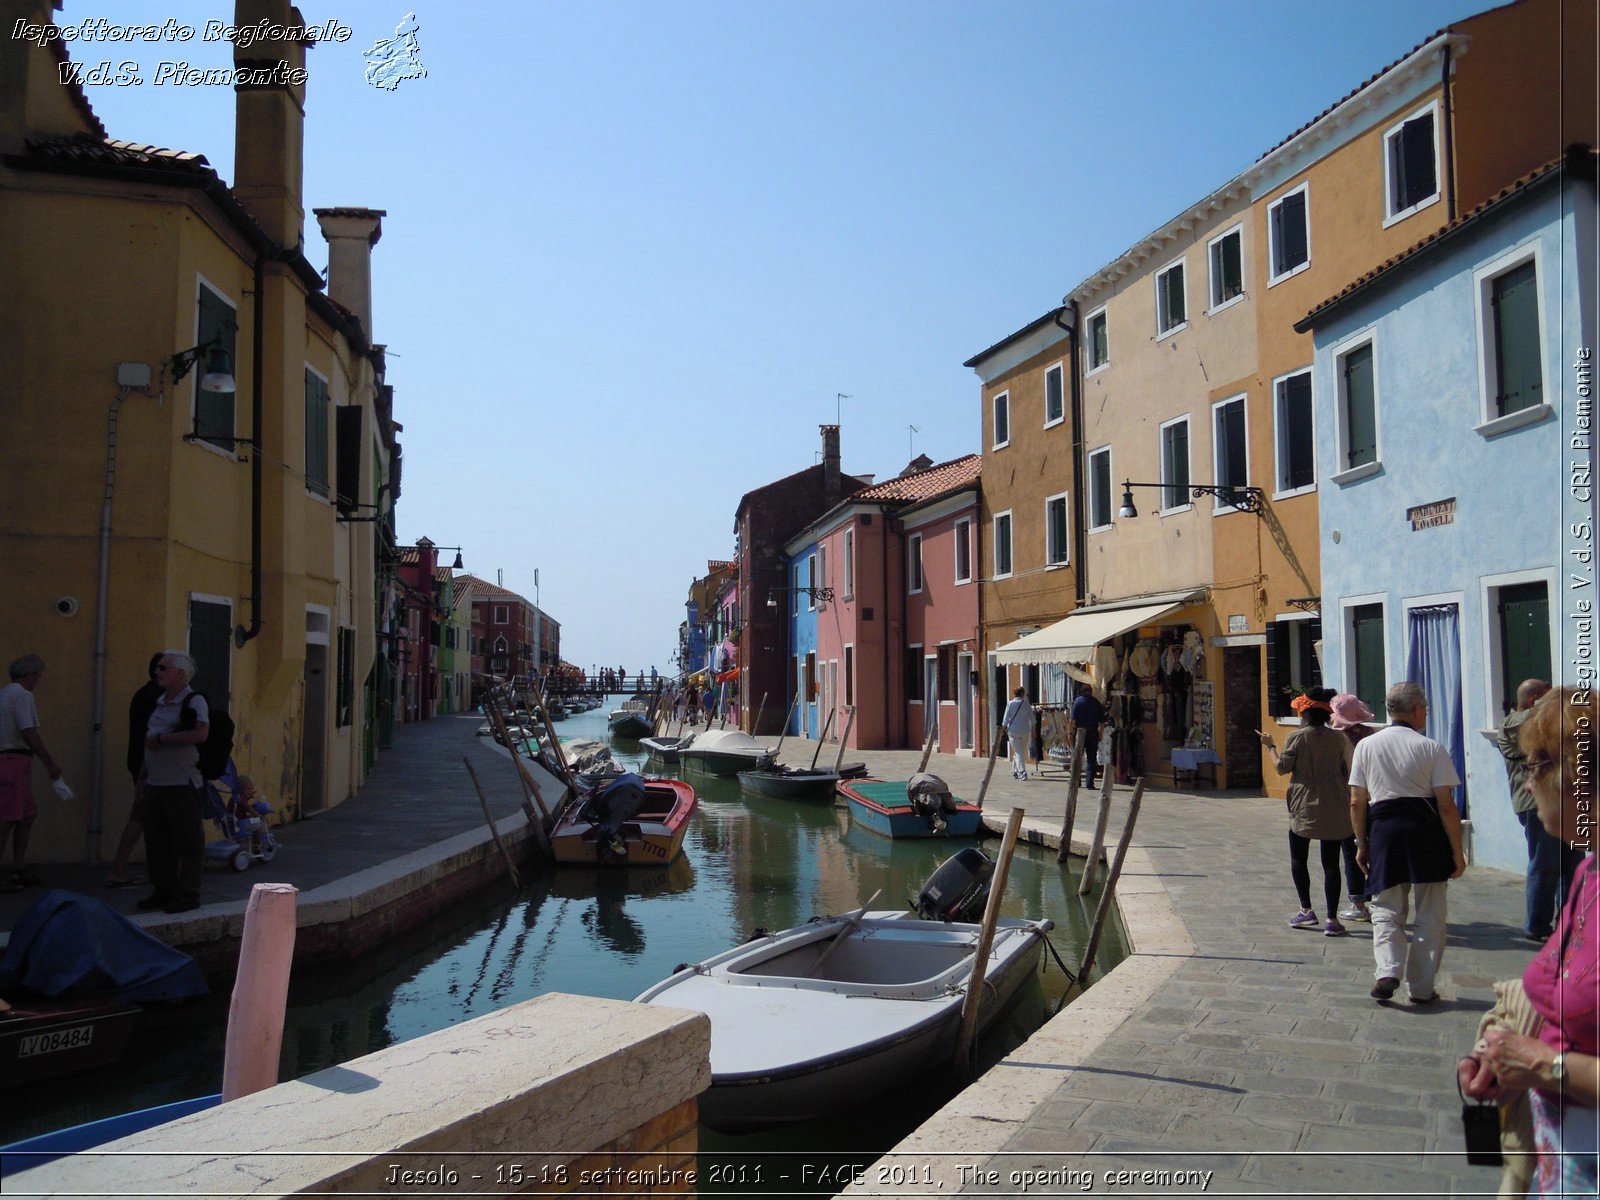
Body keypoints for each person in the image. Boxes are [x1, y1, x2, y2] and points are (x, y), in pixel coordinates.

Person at [1459, 687, 1598, 1195]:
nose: (1527, 779)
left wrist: (1541, 1064)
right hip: (1555, 1158)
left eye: (1536, 764)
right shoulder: (1588, 871)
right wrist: (1499, 1052)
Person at [1350, 680, 1466, 1004]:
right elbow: (1446, 804)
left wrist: (1362, 842)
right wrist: (1458, 852)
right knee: (1431, 913)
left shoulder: (1366, 747)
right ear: (1416, 710)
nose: (1426, 713)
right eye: (1425, 708)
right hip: (1426, 835)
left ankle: (1388, 970)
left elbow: (1357, 801)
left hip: (1385, 834)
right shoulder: (1431, 748)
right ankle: (1422, 988)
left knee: (1385, 907)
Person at [1258, 688, 1354, 936]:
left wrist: (1270, 746)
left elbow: (1281, 768)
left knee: (1298, 857)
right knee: (1331, 862)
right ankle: (1333, 919)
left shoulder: (1296, 738)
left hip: (1305, 800)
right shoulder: (1338, 738)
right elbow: (1345, 769)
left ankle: (1306, 909)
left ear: (1306, 713)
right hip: (1334, 798)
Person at [1499, 678, 1581, 942]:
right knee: (1545, 864)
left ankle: (1568, 923)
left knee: (1572, 865)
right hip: (1535, 804)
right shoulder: (1513, 724)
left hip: (1561, 801)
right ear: (1534, 700)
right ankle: (1537, 925)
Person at [137, 651, 210, 915]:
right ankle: (163, 890)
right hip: (156, 782)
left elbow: (201, 734)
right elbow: (149, 739)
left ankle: (188, 894)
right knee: (157, 842)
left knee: (188, 842)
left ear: (179, 673)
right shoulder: (160, 702)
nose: (157, 672)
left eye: (162, 668)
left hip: (181, 783)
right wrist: (143, 776)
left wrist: (164, 740)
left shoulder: (193, 701)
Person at [0, 655, 64, 893]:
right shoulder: (22, 696)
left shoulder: (4, 694)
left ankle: (19, 866)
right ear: (30, 675)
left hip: (10, 760)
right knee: (6, 819)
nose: (38, 680)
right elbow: (29, 732)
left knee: (27, 814)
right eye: (37, 675)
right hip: (15, 760)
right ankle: (15, 869)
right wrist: (50, 763)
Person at [107, 653, 165, 887]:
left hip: (141, 761)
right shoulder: (158, 698)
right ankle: (120, 868)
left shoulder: (143, 694)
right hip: (149, 764)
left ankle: (125, 868)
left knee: (146, 815)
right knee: (142, 815)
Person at [1329, 693, 1376, 923]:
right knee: (1375, 849)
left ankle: (1358, 903)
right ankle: (1379, 895)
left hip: (1349, 800)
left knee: (1352, 852)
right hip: (1375, 798)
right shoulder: (1371, 735)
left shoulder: (1336, 739)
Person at [1068, 683, 1106, 788]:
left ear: (1082, 691)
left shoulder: (1077, 701)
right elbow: (1102, 722)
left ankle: (1076, 780)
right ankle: (1089, 783)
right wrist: (1100, 734)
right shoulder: (1096, 702)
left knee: (1077, 757)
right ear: (1091, 691)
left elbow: (1072, 720)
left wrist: (1070, 733)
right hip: (1093, 732)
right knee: (1091, 758)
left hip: (1080, 732)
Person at [1000, 687, 1034, 780]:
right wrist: (1033, 729)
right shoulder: (1026, 704)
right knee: (1020, 752)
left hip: (1013, 731)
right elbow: (1032, 718)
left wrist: (1003, 729)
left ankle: (1017, 771)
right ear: (1022, 694)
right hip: (1025, 730)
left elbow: (1005, 719)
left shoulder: (1010, 704)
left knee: (1019, 752)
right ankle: (1021, 771)